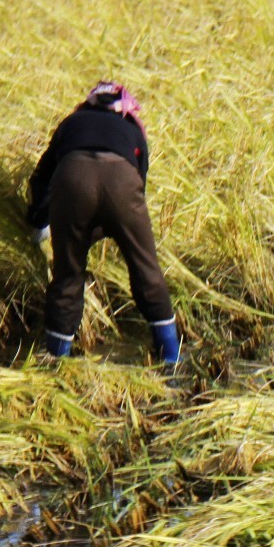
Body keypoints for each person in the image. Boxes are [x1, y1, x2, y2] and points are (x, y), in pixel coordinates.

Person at [27, 82, 180, 365]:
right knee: (146, 269)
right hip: (122, 183)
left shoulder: (72, 122)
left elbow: (41, 177)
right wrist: (113, 226)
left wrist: (39, 223)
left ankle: (55, 364)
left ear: (90, 103)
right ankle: (171, 360)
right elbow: (139, 184)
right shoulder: (132, 128)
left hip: (72, 180)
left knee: (67, 276)